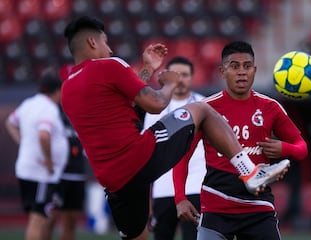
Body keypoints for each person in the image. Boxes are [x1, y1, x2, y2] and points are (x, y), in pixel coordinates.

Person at [60, 16, 290, 240]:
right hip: (138, 157)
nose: (109, 49)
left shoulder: (67, 88)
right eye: (105, 42)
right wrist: (170, 82)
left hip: (114, 182)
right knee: (201, 109)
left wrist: (148, 69)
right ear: (92, 42)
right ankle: (249, 172)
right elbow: (156, 104)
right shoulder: (110, 65)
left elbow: (127, 106)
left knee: (137, 236)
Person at [173, 41, 309, 240]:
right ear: (222, 71)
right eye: (234, 66)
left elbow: (302, 148)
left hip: (258, 208)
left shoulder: (270, 107)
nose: (242, 72)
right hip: (216, 206)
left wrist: (283, 148)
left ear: (254, 70)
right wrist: (180, 198)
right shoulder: (206, 109)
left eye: (247, 66)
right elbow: (181, 155)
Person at [143, 56, 206, 240]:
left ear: (193, 77)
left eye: (185, 75)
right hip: (163, 186)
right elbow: (148, 152)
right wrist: (147, 199)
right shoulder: (155, 107)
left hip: (196, 185)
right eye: (176, 75)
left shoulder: (205, 105)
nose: (180, 79)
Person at [5, 73, 68, 240]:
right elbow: (44, 135)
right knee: (37, 219)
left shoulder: (28, 104)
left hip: (27, 169)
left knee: (37, 217)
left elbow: (10, 122)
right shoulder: (48, 108)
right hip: (40, 172)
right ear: (56, 91)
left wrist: (22, 142)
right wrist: (48, 161)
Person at [43, 65, 87, 240]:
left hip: (77, 174)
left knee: (71, 222)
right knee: (48, 220)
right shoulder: (51, 111)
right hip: (56, 175)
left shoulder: (83, 109)